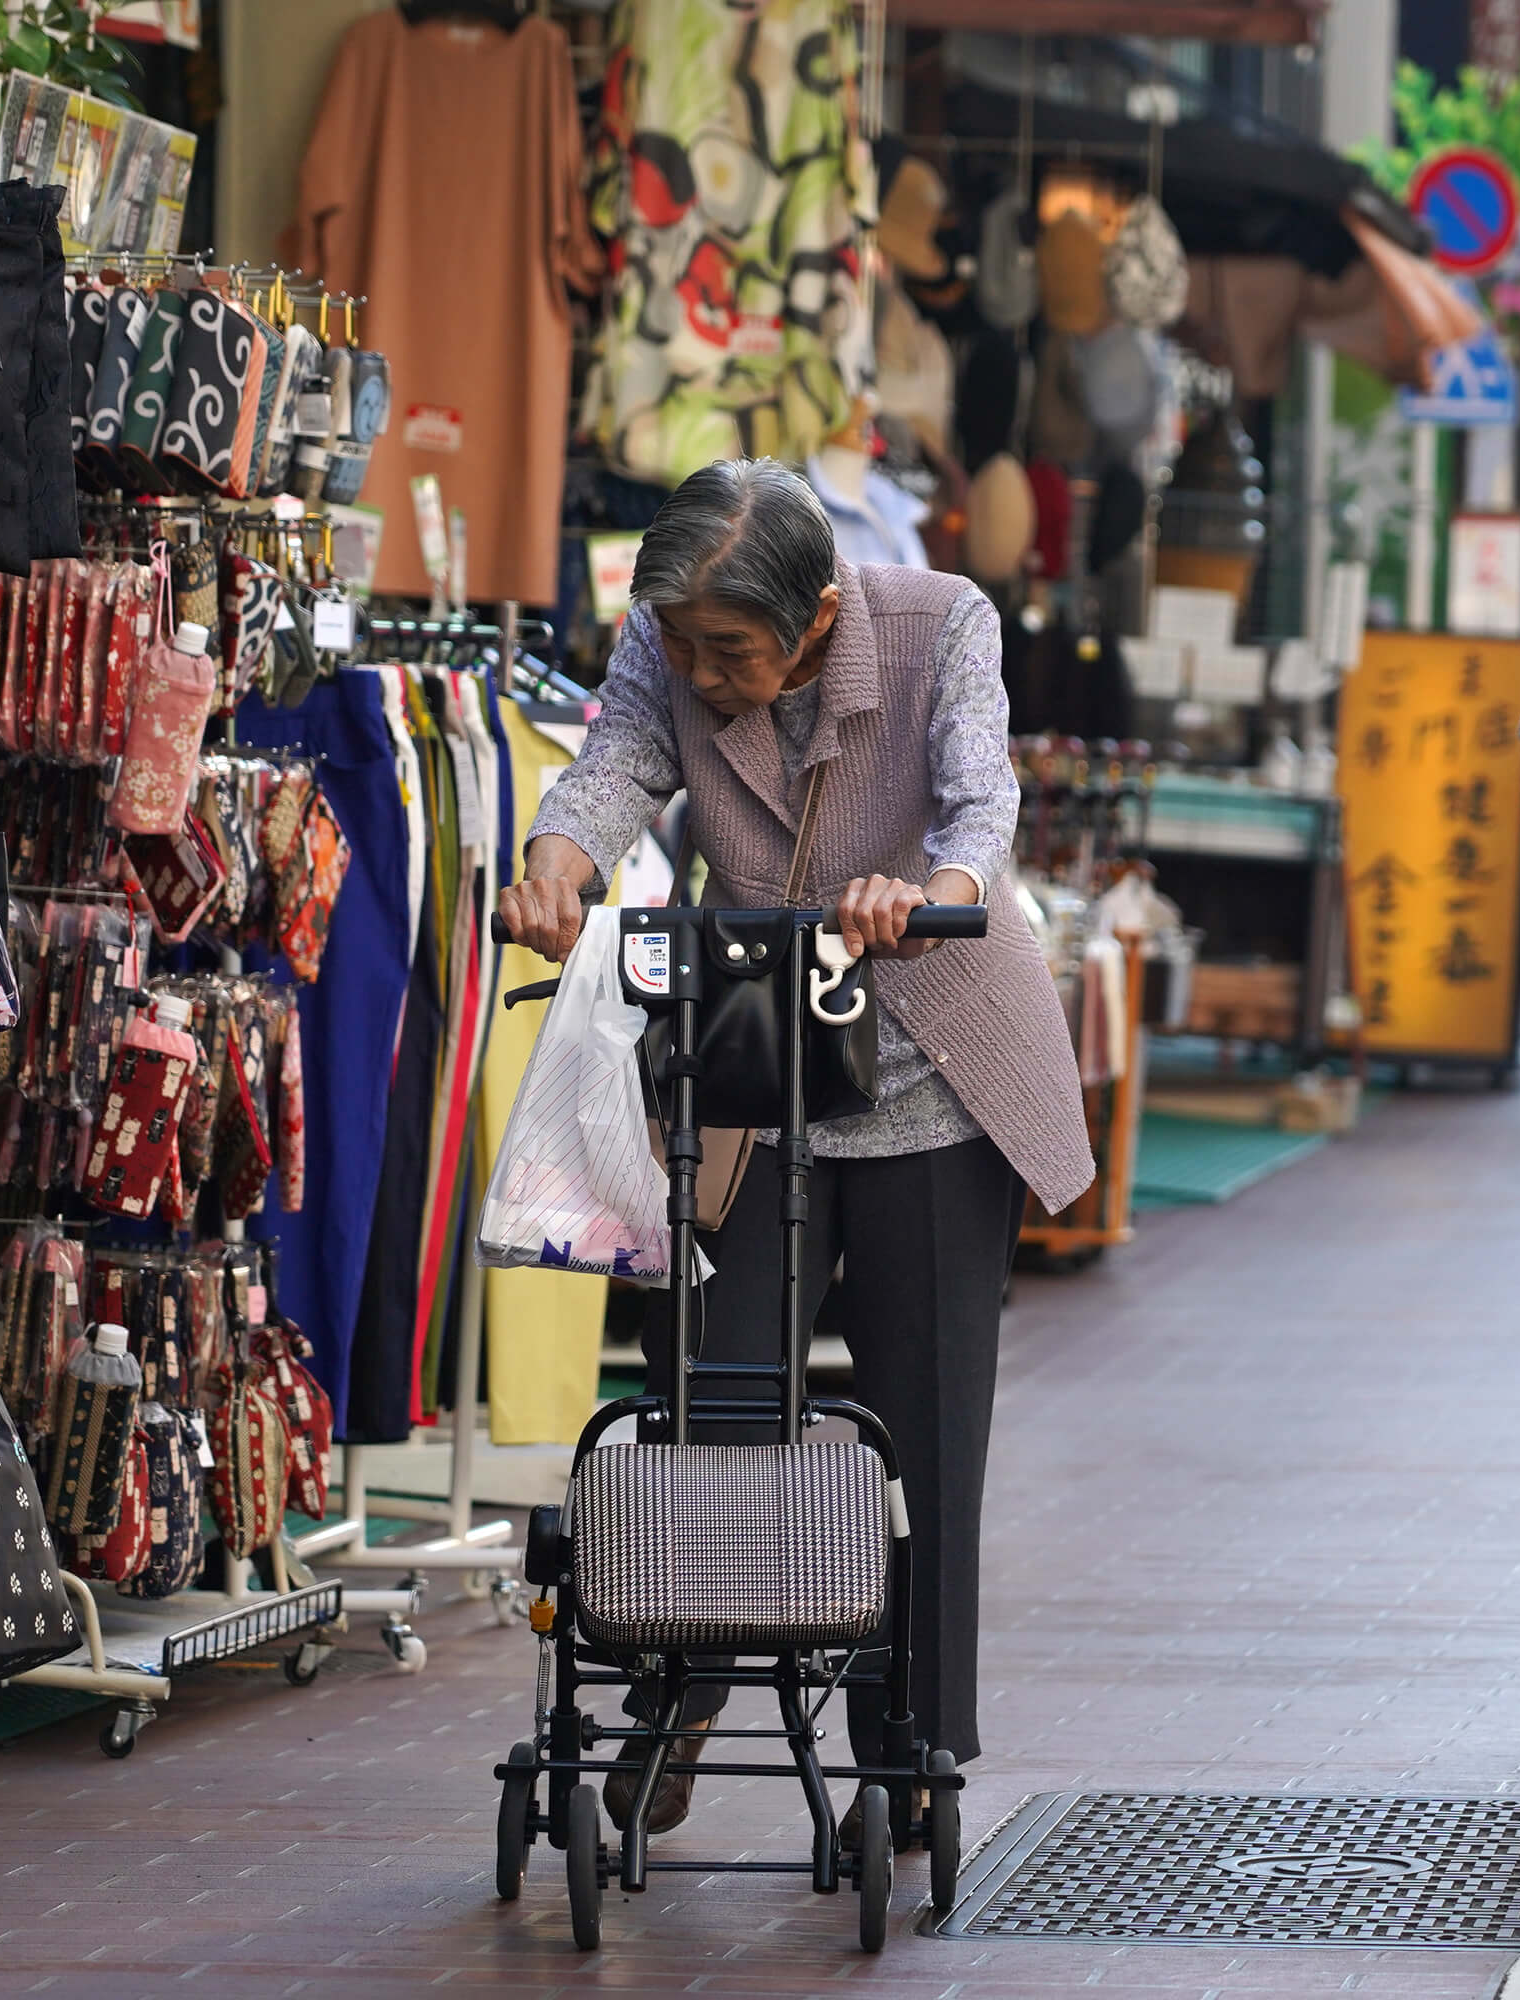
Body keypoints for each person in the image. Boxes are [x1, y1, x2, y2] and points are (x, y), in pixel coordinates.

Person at [497, 458, 1093, 1832]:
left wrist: (932, 890)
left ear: (818, 614)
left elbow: (981, 807)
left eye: (731, 651)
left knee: (923, 1429)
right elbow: (616, 761)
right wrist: (555, 869)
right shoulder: (667, 642)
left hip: (935, 1076)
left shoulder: (944, 622)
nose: (702, 674)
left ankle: (912, 1747)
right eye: (684, 646)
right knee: (711, 1395)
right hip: (756, 1068)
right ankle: (683, 1692)